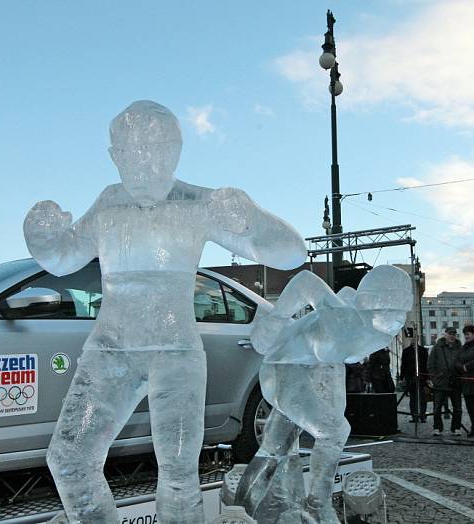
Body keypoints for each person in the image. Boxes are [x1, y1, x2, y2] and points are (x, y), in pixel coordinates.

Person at [25, 101, 307, 523]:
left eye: (154, 150)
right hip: (110, 349)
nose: (142, 164)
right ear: (113, 155)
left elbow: (291, 251)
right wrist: (42, 236)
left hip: (175, 352)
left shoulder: (198, 203)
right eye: (129, 153)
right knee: (69, 458)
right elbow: (65, 257)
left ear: (175, 151)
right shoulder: (109, 204)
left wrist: (251, 219)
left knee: (178, 475)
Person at [236, 266, 412, 522]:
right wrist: (277, 317)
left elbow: (346, 304)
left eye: (401, 313)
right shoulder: (342, 318)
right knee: (334, 430)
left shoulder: (380, 330)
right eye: (390, 311)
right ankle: (318, 504)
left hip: (321, 366)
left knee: (277, 446)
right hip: (284, 368)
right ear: (372, 304)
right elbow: (305, 281)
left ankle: (246, 507)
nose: (397, 321)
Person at [427, 327, 463, 436]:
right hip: (440, 382)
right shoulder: (437, 347)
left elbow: (463, 361)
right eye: (450, 334)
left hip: (455, 382)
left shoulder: (460, 347)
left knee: (457, 408)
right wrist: (434, 378)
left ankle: (456, 428)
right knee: (437, 408)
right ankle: (437, 427)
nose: (452, 336)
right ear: (445, 335)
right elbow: (431, 364)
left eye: (454, 334)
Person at [400, 336, 429, 422]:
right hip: (410, 377)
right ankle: (414, 416)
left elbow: (426, 364)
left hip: (422, 377)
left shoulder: (423, 350)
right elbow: (403, 365)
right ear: (410, 339)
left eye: (416, 338)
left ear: (418, 339)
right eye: (412, 338)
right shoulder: (406, 351)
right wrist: (401, 377)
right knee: (413, 397)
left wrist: (427, 377)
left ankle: (422, 416)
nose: (414, 340)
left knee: (422, 397)